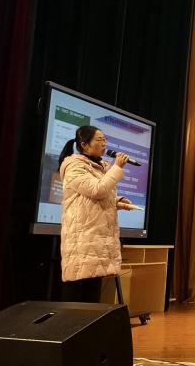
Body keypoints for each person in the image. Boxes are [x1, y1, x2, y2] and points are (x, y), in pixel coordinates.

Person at [57, 125, 132, 303]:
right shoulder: (74, 166)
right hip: (82, 238)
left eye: (105, 140)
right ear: (84, 145)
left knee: (92, 297)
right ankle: (70, 323)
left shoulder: (100, 167)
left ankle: (90, 322)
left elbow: (94, 197)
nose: (104, 143)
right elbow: (96, 190)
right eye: (99, 140)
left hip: (97, 238)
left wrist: (117, 202)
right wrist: (117, 167)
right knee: (76, 293)